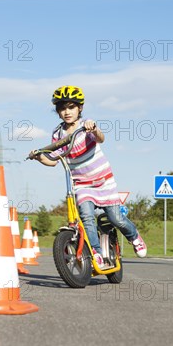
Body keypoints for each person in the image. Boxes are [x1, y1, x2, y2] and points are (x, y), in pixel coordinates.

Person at [29, 85, 147, 268]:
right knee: (86, 217)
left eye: (71, 107)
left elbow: (100, 138)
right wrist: (39, 157)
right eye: (62, 108)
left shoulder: (87, 126)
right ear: (58, 111)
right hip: (82, 184)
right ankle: (96, 252)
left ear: (79, 108)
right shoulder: (57, 134)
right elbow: (53, 161)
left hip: (103, 181)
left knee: (116, 219)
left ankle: (134, 236)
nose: (67, 112)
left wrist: (93, 129)